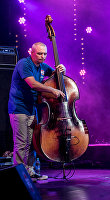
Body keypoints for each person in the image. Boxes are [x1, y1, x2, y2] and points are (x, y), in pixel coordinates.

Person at [8, 42, 66, 180]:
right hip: (19, 108)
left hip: (32, 108)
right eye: (39, 53)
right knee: (22, 143)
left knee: (32, 142)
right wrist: (52, 90)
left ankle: (31, 172)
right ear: (31, 52)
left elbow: (55, 74)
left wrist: (61, 70)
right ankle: (21, 177)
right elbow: (32, 84)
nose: (43, 56)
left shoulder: (42, 66)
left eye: (45, 54)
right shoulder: (24, 64)